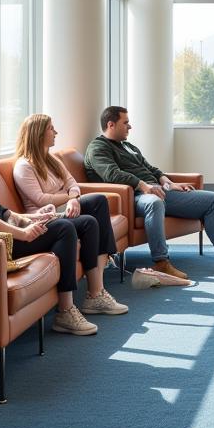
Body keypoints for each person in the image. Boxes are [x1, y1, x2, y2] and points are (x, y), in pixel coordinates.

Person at [0, 125, 127, 337]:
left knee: (86, 222)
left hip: (3, 236)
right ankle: (65, 312)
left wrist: (32, 218)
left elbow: (1, 211)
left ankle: (94, 296)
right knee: (64, 228)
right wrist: (21, 232)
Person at [85, 106, 214, 279]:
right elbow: (112, 174)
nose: (130, 126)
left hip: (158, 190)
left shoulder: (128, 146)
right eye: (126, 123)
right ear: (111, 124)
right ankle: (161, 263)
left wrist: (169, 183)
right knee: (154, 202)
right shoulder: (98, 148)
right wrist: (144, 186)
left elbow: (151, 168)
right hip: (133, 197)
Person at [12, 112, 137, 294]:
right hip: (47, 214)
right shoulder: (24, 166)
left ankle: (99, 276)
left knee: (99, 200)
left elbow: (72, 183)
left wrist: (74, 197)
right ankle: (98, 284)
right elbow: (41, 199)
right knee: (90, 220)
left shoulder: (51, 159)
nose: (56, 132)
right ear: (38, 134)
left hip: (65, 207)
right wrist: (71, 198)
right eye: (51, 129)